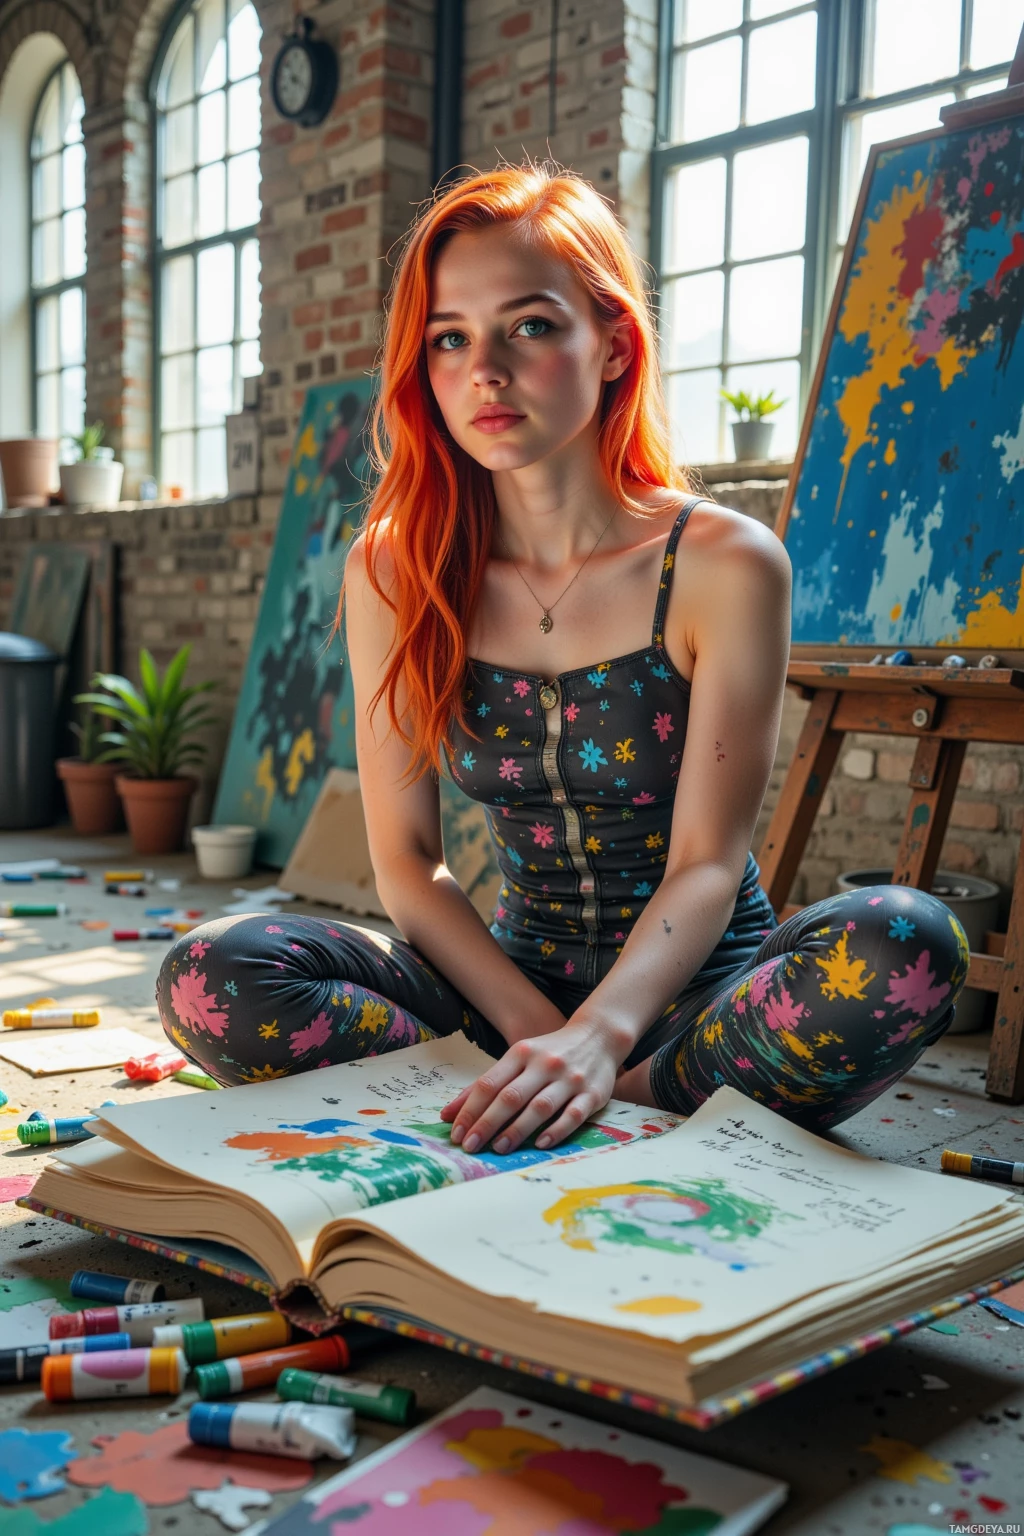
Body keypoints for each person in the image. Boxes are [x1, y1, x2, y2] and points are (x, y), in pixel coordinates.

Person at [157, 162, 969, 1154]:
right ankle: (589, 1107)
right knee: (209, 974)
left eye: (529, 326)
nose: (483, 370)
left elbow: (708, 863)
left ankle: (609, 1099)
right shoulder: (394, 567)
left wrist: (602, 1039)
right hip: (503, 994)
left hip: (694, 1002)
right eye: (449, 338)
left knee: (908, 942)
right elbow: (409, 867)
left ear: (613, 343)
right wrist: (547, 1037)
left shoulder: (722, 563)